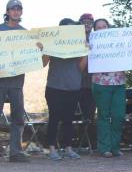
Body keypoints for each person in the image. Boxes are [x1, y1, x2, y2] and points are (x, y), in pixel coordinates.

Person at [44, 18, 87, 160]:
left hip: (73, 88)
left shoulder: (77, 43)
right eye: (68, 28)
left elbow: (81, 68)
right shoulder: (53, 42)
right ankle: (52, 149)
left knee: (69, 120)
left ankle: (68, 148)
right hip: (54, 87)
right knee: (54, 118)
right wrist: (45, 49)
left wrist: (85, 52)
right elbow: (43, 63)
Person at [0, 0, 32, 162]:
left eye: (19, 9)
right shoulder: (0, 30)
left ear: (21, 12)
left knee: (18, 118)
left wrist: (38, 48)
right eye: (13, 9)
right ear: (7, 11)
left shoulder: (26, 34)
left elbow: (32, 56)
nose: (16, 11)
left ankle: (15, 152)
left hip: (17, 83)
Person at [91, 18, 126, 157]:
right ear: (95, 30)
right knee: (103, 116)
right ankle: (105, 148)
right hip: (100, 83)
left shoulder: (119, 42)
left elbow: (130, 54)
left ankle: (115, 147)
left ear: (109, 28)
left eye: (104, 26)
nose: (102, 29)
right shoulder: (91, 43)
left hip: (119, 83)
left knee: (118, 115)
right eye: (98, 27)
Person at [78, 13, 96, 122]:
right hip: (75, 81)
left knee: (89, 114)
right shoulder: (73, 38)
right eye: (84, 22)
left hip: (92, 82)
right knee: (74, 114)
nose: (87, 24)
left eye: (89, 22)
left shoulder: (99, 38)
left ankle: (89, 136)